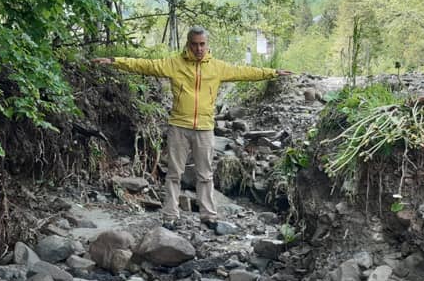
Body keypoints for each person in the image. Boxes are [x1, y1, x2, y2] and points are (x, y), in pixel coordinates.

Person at [93, 26, 292, 229]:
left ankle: (209, 216)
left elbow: (245, 72)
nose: (199, 48)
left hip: (205, 127)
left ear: (207, 44)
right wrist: (115, 61)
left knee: (205, 174)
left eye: (202, 44)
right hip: (179, 126)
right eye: (195, 44)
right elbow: (145, 65)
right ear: (188, 44)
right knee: (174, 173)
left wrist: (273, 73)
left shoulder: (217, 67)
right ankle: (170, 215)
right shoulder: (174, 64)